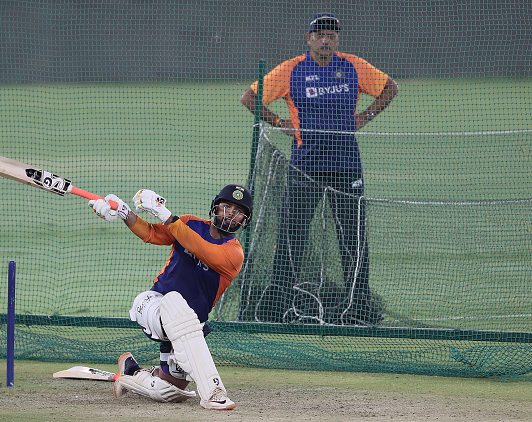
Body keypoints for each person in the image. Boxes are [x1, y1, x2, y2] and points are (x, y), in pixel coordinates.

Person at [240, 12, 398, 325]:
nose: (325, 40)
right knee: (291, 236)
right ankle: (278, 306)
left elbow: (390, 88)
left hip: (346, 166)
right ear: (309, 39)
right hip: (305, 167)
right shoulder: (292, 69)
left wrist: (365, 117)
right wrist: (280, 123)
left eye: (331, 35)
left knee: (353, 238)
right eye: (319, 35)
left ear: (337, 40)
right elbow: (249, 97)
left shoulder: (352, 65)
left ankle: (358, 306)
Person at [87, 184, 253, 410]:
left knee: (169, 390)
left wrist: (165, 214)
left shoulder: (234, 254)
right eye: (226, 206)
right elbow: (151, 233)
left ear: (245, 219)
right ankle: (214, 393)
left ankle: (131, 373)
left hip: (191, 326)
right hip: (154, 305)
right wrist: (125, 213)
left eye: (238, 210)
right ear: (215, 207)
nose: (231, 212)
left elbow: (198, 246)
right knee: (175, 301)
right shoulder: (188, 223)